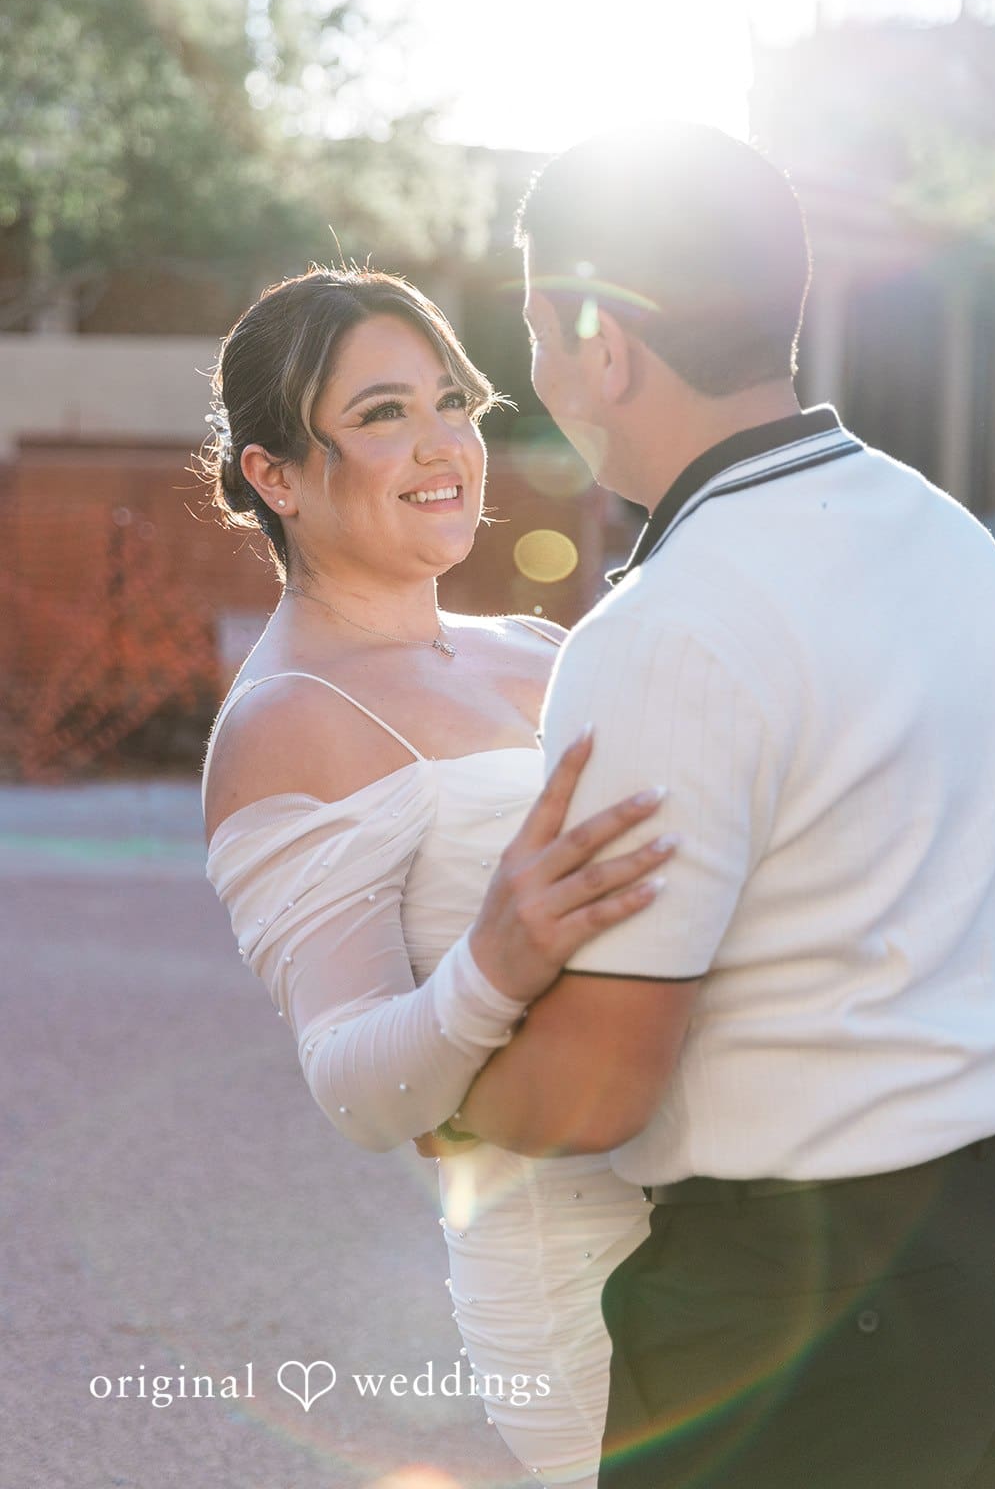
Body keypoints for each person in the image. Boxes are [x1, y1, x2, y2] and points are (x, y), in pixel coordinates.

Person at [452, 124, 995, 1487]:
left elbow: (600, 1084)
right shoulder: (941, 532)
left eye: (540, 332)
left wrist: (446, 1075)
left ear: (602, 343)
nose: (539, 375)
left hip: (817, 1288)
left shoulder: (667, 628)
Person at [198, 265, 670, 1486]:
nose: (443, 441)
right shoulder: (285, 721)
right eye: (380, 413)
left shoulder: (541, 644)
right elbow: (353, 1084)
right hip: (581, 1273)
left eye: (449, 399)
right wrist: (492, 962)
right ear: (275, 476)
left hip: (734, 1206)